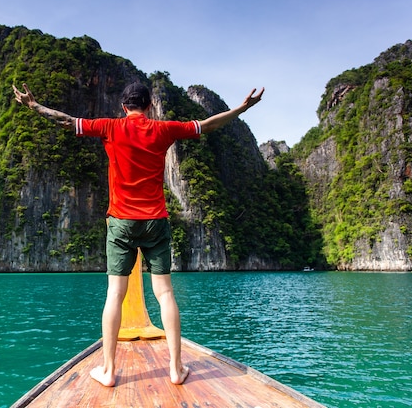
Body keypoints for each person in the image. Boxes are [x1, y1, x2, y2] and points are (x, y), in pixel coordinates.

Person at [13, 81, 264, 387]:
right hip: (156, 221)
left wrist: (33, 105)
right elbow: (207, 125)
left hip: (120, 222)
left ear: (124, 106)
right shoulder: (163, 130)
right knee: (166, 293)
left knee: (114, 295)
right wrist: (241, 108)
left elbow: (66, 120)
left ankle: (108, 371)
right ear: (150, 106)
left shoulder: (110, 127)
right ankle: (175, 368)